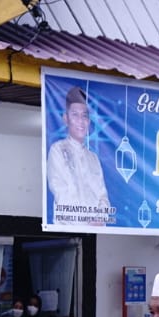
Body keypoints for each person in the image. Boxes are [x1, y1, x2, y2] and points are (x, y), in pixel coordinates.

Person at [47, 86, 112, 225]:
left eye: (84, 116)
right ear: (66, 118)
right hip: (68, 228)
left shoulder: (93, 158)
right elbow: (61, 192)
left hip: (95, 229)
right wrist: (85, 221)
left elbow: (102, 196)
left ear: (89, 121)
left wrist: (100, 218)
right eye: (75, 115)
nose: (81, 121)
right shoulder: (58, 150)